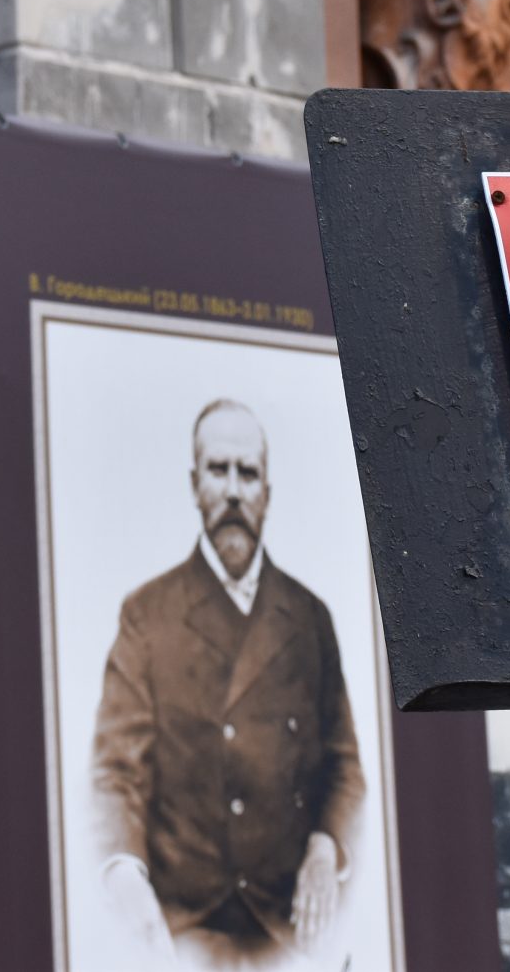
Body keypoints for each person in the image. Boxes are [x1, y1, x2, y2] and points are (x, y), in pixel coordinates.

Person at [92, 399, 365, 968]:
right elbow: (116, 772)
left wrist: (326, 846)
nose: (235, 491)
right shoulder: (146, 615)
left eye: (248, 473)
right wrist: (122, 875)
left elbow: (345, 768)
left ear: (268, 490)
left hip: (287, 927)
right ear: (195, 486)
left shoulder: (310, 618)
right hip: (182, 927)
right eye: (219, 471)